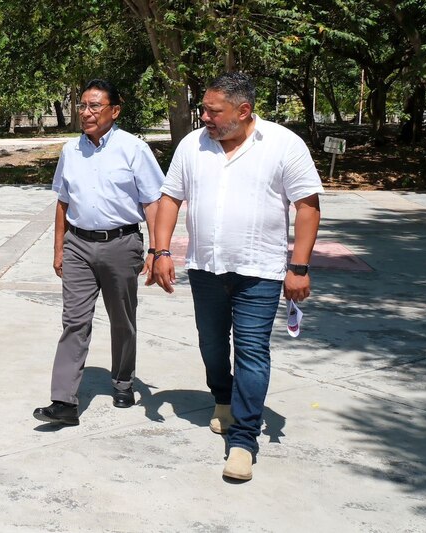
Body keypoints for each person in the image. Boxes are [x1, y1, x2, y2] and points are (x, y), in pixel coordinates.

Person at [152, 72, 323, 480]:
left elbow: (307, 206)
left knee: (251, 351)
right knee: (211, 344)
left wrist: (298, 267)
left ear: (243, 111)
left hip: (259, 273)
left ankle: (244, 441)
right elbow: (170, 198)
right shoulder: (192, 145)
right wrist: (159, 251)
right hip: (206, 269)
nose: (205, 117)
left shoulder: (284, 144)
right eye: (203, 109)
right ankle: (223, 399)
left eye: (214, 111)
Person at [32, 79, 165, 426]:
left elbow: (153, 202)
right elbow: (62, 201)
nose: (86, 113)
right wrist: (59, 247)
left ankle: (123, 381)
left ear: (114, 111)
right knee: (74, 320)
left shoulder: (133, 149)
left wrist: (157, 249)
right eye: (82, 106)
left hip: (122, 244)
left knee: (122, 319)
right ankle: (63, 401)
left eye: (94, 106)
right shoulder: (70, 151)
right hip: (78, 244)